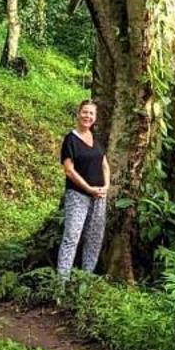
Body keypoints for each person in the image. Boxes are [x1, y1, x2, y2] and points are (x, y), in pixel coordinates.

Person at [56, 98, 109, 281]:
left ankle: (85, 280)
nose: (87, 116)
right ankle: (60, 285)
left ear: (95, 118)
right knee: (71, 237)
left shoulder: (95, 139)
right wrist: (88, 188)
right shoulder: (70, 139)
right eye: (85, 112)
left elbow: (105, 165)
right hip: (78, 195)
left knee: (94, 239)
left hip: (99, 196)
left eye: (91, 113)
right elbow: (69, 170)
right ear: (78, 114)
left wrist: (105, 187)